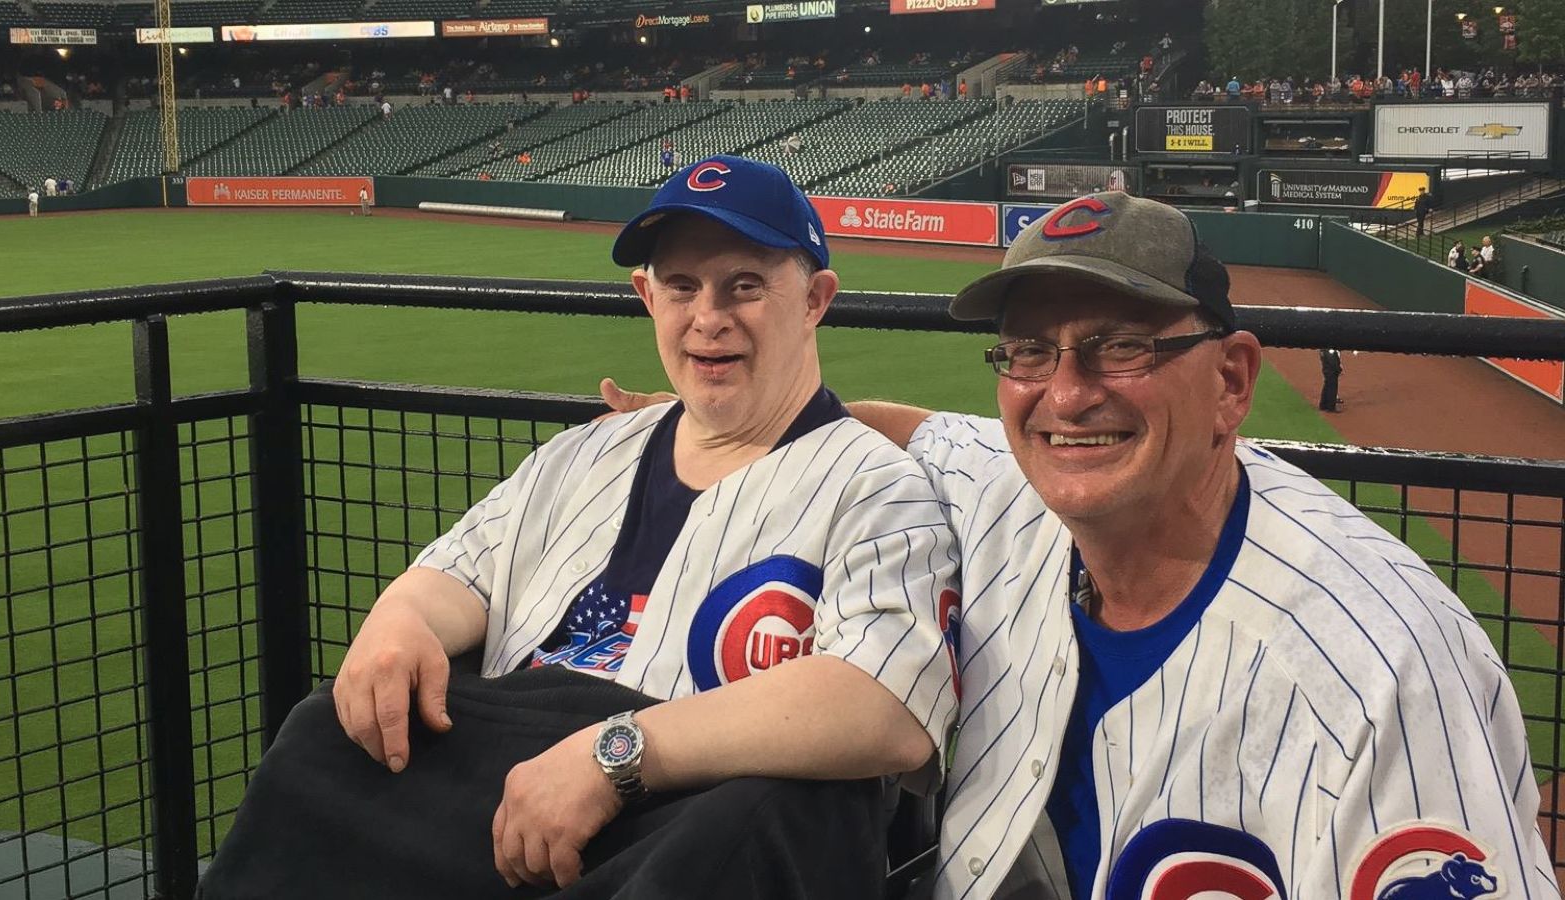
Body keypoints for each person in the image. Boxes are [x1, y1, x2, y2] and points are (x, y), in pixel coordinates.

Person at [604, 193, 1560, 900]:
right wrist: (714, 418)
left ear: (1231, 381)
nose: (1063, 396)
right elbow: (914, 427)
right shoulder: (1016, 488)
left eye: (1121, 347)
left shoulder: (1384, 668)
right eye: (1027, 351)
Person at [197, 156, 959, 900]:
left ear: (816, 299)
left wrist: (614, 756)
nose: (708, 318)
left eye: (746, 286)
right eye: (682, 286)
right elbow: (459, 572)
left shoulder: (878, 488)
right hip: (505, 778)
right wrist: (398, 621)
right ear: (645, 296)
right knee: (326, 732)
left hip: (680, 808)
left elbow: (885, 706)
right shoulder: (586, 451)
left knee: (756, 822)